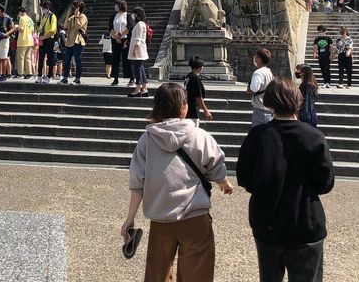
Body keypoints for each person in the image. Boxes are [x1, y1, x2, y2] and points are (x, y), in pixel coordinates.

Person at [121, 82, 233, 282]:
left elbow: (138, 182)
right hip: (194, 216)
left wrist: (130, 218)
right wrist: (223, 183)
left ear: (157, 107)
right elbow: (215, 164)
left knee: (158, 274)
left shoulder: (147, 139)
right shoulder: (199, 135)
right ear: (183, 107)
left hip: (161, 218)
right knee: (198, 273)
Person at [236, 78, 335, 282]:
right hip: (305, 221)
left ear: (269, 102)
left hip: (267, 221)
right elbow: (325, 183)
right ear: (298, 100)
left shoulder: (258, 136)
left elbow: (245, 178)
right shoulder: (314, 137)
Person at [61, 0, 88, 85]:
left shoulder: (83, 17)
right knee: (67, 60)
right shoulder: (71, 17)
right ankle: (65, 78)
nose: (73, 8)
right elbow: (65, 26)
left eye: (75, 7)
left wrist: (76, 17)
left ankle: (77, 78)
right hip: (70, 41)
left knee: (77, 59)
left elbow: (78, 26)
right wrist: (68, 15)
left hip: (78, 41)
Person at [248, 47, 274, 126]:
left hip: (260, 109)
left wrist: (249, 90)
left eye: (256, 57)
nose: (255, 59)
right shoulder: (269, 72)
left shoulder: (258, 73)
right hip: (269, 109)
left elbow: (254, 89)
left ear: (259, 59)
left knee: (257, 131)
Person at [184, 56, 213, 125]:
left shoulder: (188, 76)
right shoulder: (195, 78)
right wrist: (206, 111)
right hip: (193, 110)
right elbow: (198, 97)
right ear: (200, 67)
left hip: (187, 108)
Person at [128, 7, 149, 97]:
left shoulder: (140, 24)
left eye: (134, 13)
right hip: (140, 49)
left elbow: (138, 38)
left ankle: (138, 89)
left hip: (139, 50)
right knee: (141, 69)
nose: (133, 15)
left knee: (138, 69)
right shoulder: (142, 24)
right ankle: (144, 88)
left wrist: (135, 49)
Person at [36, 0, 58, 84]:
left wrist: (43, 37)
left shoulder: (53, 16)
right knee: (41, 58)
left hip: (49, 39)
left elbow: (52, 31)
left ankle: (49, 76)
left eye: (44, 8)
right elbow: (40, 28)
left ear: (48, 8)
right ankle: (39, 76)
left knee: (50, 58)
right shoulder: (44, 16)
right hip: (42, 39)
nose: (43, 10)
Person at [110, 0, 131, 87]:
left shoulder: (128, 15)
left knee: (127, 59)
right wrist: (115, 36)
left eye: (117, 5)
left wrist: (119, 34)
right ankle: (115, 78)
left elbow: (129, 28)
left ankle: (131, 78)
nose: (115, 6)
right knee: (115, 59)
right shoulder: (113, 16)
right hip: (115, 40)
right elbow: (110, 28)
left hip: (125, 39)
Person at [0, 3, 15, 82]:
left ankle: (4, 75)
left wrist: (5, 34)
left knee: (4, 58)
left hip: (4, 39)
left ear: (0, 10)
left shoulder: (7, 18)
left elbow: (12, 29)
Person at [15, 7, 34, 79]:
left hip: (22, 40)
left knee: (21, 57)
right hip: (30, 40)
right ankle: (29, 73)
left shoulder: (22, 18)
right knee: (28, 58)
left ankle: (20, 73)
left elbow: (21, 29)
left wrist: (16, 27)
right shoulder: (30, 19)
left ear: (20, 12)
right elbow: (32, 30)